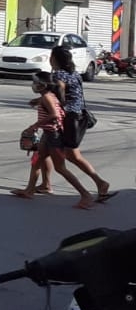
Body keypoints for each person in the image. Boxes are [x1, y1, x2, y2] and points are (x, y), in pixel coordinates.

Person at [14, 72, 95, 208]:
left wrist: (34, 126)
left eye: (35, 82)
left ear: (42, 85)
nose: (33, 85)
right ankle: (29, 190)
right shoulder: (49, 96)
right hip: (48, 134)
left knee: (60, 168)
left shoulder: (47, 97)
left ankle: (85, 195)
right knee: (36, 162)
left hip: (54, 136)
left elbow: (54, 115)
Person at [49, 45, 114, 203]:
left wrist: (60, 103)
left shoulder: (58, 74)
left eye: (51, 56)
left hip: (69, 118)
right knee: (61, 153)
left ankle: (98, 184)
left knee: (72, 156)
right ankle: (41, 184)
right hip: (79, 116)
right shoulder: (75, 73)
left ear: (55, 59)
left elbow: (60, 88)